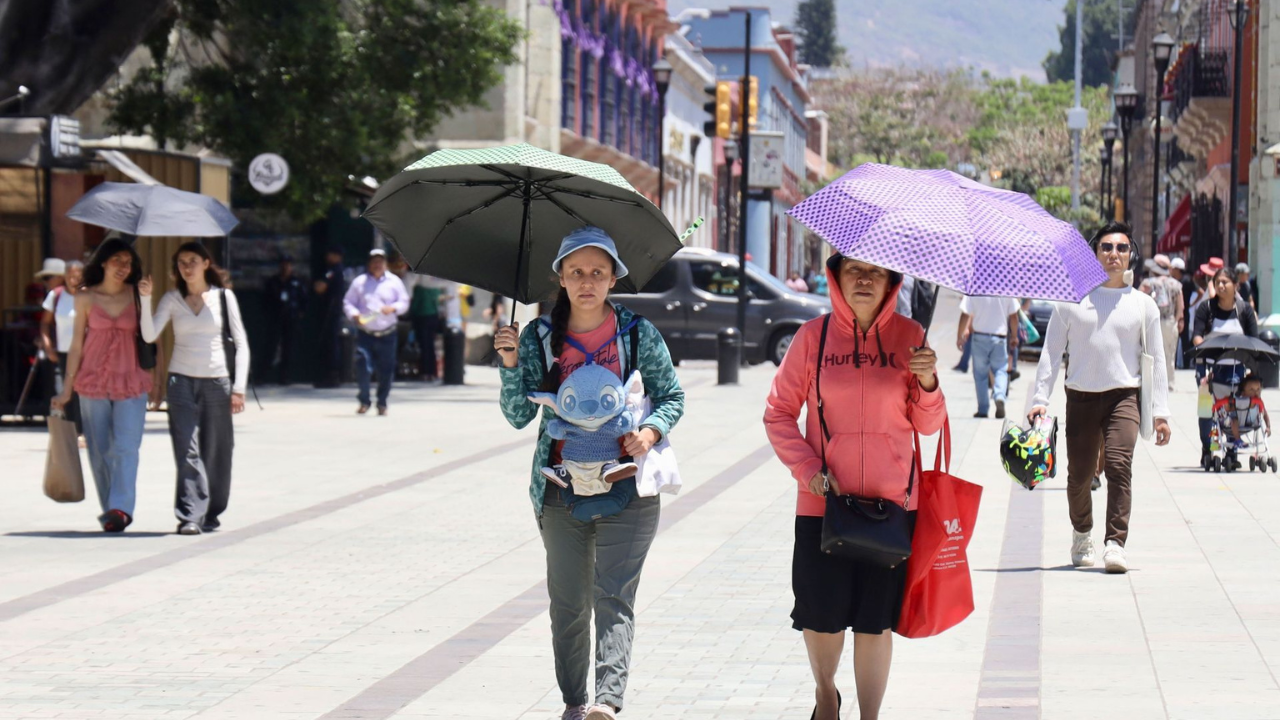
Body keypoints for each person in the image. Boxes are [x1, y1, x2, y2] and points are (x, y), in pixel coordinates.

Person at [495, 226, 685, 720]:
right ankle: (574, 702)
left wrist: (649, 432)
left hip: (628, 488)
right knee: (570, 607)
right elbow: (518, 415)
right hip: (560, 492)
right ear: (560, 278)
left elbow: (672, 397)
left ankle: (606, 700)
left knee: (614, 597)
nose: (587, 281)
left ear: (613, 279)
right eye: (576, 272)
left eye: (597, 273)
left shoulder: (637, 333)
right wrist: (512, 363)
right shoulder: (539, 336)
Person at [764, 252, 944, 720]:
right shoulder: (812, 338)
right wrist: (808, 469)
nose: (864, 280)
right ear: (835, 277)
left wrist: (928, 383)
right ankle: (826, 695)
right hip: (824, 504)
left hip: (890, 508)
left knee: (874, 622)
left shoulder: (912, 338)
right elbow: (778, 413)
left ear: (890, 282)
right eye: (854, 271)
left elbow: (930, 426)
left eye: (876, 272)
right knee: (820, 617)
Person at [1031, 221, 1171, 575]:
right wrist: (1039, 399)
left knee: (1120, 466)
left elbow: (1156, 360)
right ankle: (1082, 532)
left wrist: (1160, 413)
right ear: (1094, 254)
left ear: (1131, 256)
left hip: (1124, 397)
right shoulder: (1071, 299)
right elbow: (1050, 353)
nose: (1114, 254)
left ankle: (1115, 544)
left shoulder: (1143, 305)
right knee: (1079, 476)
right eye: (1107, 247)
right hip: (1080, 397)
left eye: (1122, 248)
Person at [139, 242, 250, 535]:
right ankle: (190, 514)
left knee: (217, 449)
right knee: (186, 448)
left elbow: (241, 344)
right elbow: (149, 333)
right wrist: (146, 299)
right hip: (181, 381)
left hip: (217, 381)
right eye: (181, 263)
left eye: (192, 261)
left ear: (205, 263)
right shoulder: (172, 299)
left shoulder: (224, 298)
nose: (186, 267)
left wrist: (238, 388)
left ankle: (211, 510)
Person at [50, 238, 152, 533]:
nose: (124, 267)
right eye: (118, 260)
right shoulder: (85, 297)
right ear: (104, 262)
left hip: (131, 378)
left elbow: (151, 337)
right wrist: (67, 389)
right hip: (92, 379)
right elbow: (77, 346)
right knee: (99, 447)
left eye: (129, 262)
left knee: (127, 446)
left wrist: (146, 300)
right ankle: (112, 507)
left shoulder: (137, 295)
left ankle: (121, 508)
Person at [1192, 266, 1259, 464]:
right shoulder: (1207, 308)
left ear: (1236, 285)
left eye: (1225, 282)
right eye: (1217, 282)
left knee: (1234, 407)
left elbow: (1252, 340)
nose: (1220, 286)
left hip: (1236, 368)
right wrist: (1205, 349)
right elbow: (1196, 335)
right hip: (1208, 367)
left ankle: (1231, 449)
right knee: (1208, 410)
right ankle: (1208, 448)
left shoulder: (1244, 310)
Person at [343, 249, 409, 415]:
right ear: (369, 264)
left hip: (388, 333)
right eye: (374, 261)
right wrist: (354, 314)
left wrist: (393, 308)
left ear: (385, 264)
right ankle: (364, 400)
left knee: (386, 369)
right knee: (363, 365)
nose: (377, 265)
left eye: (380, 261)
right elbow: (348, 302)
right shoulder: (360, 282)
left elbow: (404, 302)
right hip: (366, 333)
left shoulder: (394, 282)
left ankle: (382, 402)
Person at [957, 294, 1019, 419]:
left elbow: (965, 314)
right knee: (1001, 370)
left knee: (980, 375)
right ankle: (1000, 396)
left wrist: (959, 336)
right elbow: (1014, 316)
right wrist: (1014, 336)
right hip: (999, 338)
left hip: (979, 337)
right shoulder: (1006, 290)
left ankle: (983, 409)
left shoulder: (976, 289)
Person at [40, 260, 85, 432]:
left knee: (84, 392)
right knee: (66, 391)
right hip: (64, 352)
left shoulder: (88, 295)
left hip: (85, 352)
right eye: (69, 276)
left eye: (77, 276)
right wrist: (48, 346)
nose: (73, 279)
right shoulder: (56, 296)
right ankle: (71, 431)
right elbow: (45, 323)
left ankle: (84, 430)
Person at [1139, 254, 1184, 392]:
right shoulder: (1176, 284)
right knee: (1170, 353)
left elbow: (1138, 300)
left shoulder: (1148, 283)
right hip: (1170, 321)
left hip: (1152, 321)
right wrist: (1178, 320)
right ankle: (1169, 383)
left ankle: (1154, 381)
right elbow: (1180, 307)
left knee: (1152, 352)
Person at [262, 254, 307, 385]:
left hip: (291, 319)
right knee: (270, 346)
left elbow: (303, 300)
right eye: (283, 264)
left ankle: (285, 377)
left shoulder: (296, 282)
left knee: (288, 348)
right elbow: (266, 300)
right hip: (275, 318)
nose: (285, 267)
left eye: (288, 264)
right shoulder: (273, 282)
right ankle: (264, 375)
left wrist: (299, 313)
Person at [405, 273, 453, 382]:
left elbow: (415, 303)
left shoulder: (420, 287)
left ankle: (426, 371)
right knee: (430, 345)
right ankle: (431, 371)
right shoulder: (436, 287)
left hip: (422, 316)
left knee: (424, 345)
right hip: (433, 316)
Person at [313, 246, 346, 388]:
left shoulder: (334, 270)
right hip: (328, 311)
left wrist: (317, 284)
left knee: (331, 344)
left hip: (331, 311)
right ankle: (328, 375)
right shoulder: (330, 269)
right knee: (328, 343)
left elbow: (320, 287)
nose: (328, 257)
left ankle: (332, 376)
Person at [1213, 374, 1270, 450]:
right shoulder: (1237, 401)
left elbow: (1265, 414)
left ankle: (1258, 457)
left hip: (1250, 423)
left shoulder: (1258, 402)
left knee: (1237, 418)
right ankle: (1237, 440)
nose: (1256, 392)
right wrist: (1228, 403)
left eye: (1258, 389)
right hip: (1232, 424)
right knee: (1234, 419)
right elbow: (1224, 407)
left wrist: (1268, 427)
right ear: (1243, 392)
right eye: (1251, 390)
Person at [1170, 257, 1193, 368]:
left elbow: (1199, 292)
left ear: (1178, 269)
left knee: (1184, 340)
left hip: (1184, 313)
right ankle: (1173, 364)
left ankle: (1186, 364)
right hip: (1174, 313)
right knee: (1173, 339)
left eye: (1173, 268)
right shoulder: (1173, 281)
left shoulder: (1186, 281)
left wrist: (1191, 304)